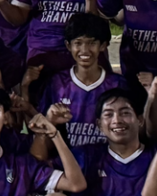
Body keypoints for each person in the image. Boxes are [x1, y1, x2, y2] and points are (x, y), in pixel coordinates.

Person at [32, 11, 122, 150]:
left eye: (92, 43)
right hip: (68, 163)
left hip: (108, 164)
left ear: (103, 46)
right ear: (69, 46)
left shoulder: (118, 85)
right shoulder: (56, 84)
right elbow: (43, 131)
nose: (84, 50)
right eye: (78, 43)